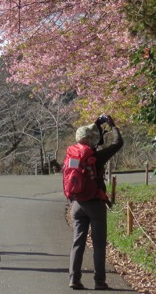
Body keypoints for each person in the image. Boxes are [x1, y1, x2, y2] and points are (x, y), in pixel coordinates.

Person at [67, 115, 123, 291]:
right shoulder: (96, 157)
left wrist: (97, 123)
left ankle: (74, 279)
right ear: (90, 140)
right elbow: (118, 143)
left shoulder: (71, 155)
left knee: (78, 242)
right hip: (95, 203)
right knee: (98, 244)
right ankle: (99, 281)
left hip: (77, 204)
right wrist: (113, 126)